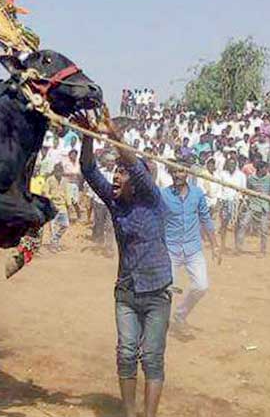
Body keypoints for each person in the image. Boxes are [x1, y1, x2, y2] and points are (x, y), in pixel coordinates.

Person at [80, 114, 172, 417]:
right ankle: (130, 414)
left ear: (138, 181)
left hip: (157, 292)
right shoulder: (115, 201)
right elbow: (88, 169)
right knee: (126, 353)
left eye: (121, 173)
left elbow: (135, 165)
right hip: (127, 292)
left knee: (152, 359)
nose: (115, 177)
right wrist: (87, 135)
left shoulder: (152, 200)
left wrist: (115, 134)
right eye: (115, 171)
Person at [160, 168, 218, 333]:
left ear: (187, 174)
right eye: (174, 172)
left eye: (180, 172)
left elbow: (205, 218)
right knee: (166, 290)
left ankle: (180, 315)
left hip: (193, 248)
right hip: (171, 249)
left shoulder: (197, 194)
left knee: (201, 286)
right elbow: (156, 218)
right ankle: (159, 322)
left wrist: (215, 245)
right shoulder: (164, 195)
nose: (177, 175)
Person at [237, 160, 270, 256]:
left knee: (264, 230)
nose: (267, 170)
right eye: (265, 168)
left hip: (264, 207)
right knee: (243, 224)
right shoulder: (251, 178)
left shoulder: (268, 178)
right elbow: (247, 190)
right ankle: (239, 247)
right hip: (252, 206)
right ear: (260, 169)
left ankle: (263, 250)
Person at [44, 163, 70, 252]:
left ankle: (55, 240)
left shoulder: (65, 181)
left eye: (60, 171)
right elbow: (45, 193)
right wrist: (52, 197)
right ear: (54, 171)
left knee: (65, 225)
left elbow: (67, 193)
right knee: (53, 227)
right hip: (53, 206)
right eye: (57, 171)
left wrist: (69, 204)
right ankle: (53, 245)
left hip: (62, 206)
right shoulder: (49, 180)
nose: (59, 173)